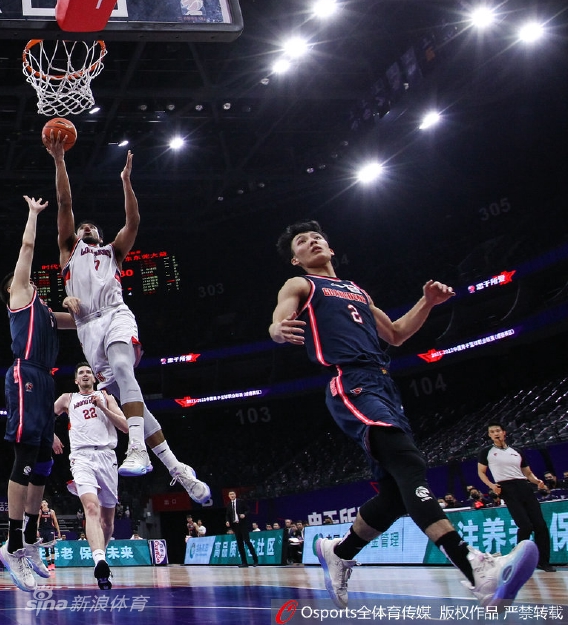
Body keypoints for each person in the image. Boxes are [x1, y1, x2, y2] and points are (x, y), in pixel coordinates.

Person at [269, 220, 538, 607]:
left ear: (330, 247)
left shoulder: (357, 291)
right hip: (350, 380)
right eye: (301, 241)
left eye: (316, 237)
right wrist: (278, 329)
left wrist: (427, 302)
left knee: (396, 496)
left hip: (384, 384)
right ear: (296, 259)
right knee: (409, 462)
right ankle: (475, 570)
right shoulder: (301, 284)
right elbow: (280, 315)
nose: (312, 241)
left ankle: (339, 552)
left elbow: (395, 334)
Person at [47, 137, 210, 504]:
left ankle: (136, 448)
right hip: (88, 329)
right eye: (82, 227)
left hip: (116, 314)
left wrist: (125, 182)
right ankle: (178, 469)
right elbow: (64, 202)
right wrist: (59, 160)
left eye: (92, 227)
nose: (86, 228)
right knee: (134, 402)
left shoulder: (113, 253)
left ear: (100, 235)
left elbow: (133, 221)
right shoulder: (68, 251)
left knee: (123, 368)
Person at [0, 195, 79, 593]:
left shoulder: (45, 311)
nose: (27, 276)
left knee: (45, 462)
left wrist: (88, 302)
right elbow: (27, 247)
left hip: (46, 381)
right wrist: (32, 215)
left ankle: (29, 539)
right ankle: (12, 544)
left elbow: (78, 322)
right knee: (26, 456)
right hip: (25, 374)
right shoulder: (20, 295)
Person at [53, 360, 130, 589]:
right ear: (76, 380)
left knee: (107, 521)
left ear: (94, 378)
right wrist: (51, 436)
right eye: (81, 373)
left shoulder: (106, 397)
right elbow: (44, 417)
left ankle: (100, 559)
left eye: (89, 372)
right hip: (81, 457)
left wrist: (103, 408)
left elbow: (125, 426)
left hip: (107, 456)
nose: (86, 375)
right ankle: (99, 560)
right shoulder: (67, 398)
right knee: (91, 508)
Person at [477, 422, 555, 572]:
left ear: (504, 432)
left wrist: (537, 481)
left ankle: (543, 561)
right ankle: (517, 560)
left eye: (498, 430)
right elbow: (481, 472)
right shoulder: (486, 452)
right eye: (492, 432)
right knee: (525, 526)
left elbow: (528, 473)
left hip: (524, 486)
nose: (495, 433)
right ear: (490, 435)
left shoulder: (516, 451)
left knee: (540, 525)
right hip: (506, 488)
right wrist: (491, 485)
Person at [225, 490, 258, 568]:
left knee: (247, 542)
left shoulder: (240, 502)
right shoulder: (229, 504)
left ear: (235, 495)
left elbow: (248, 509)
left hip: (243, 525)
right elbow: (227, 515)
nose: (232, 495)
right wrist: (227, 521)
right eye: (230, 494)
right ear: (228, 496)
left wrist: (244, 514)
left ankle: (255, 560)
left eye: (233, 494)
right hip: (235, 526)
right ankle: (244, 562)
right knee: (240, 544)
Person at [37, 500, 62, 569]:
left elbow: (55, 522)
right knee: (46, 548)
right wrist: (37, 530)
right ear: (41, 505)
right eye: (42, 502)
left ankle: (53, 563)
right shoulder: (40, 512)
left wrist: (58, 532)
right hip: (42, 531)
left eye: (45, 502)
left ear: (47, 504)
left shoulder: (51, 511)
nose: (44, 503)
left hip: (50, 530)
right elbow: (37, 522)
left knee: (52, 546)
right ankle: (49, 564)